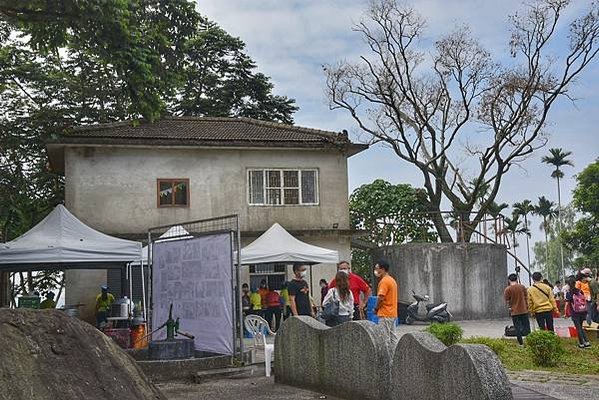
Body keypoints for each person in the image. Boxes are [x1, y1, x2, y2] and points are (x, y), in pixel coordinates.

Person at [374, 260, 398, 350]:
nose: (376, 271)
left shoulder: (384, 281)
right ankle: (394, 358)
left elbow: (381, 298)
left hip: (385, 313)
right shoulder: (392, 280)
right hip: (392, 313)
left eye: (377, 269)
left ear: (383, 269)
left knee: (384, 338)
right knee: (393, 338)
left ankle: (386, 360)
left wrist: (376, 309)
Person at [504, 274, 530, 346]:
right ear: (516, 279)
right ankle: (529, 341)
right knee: (527, 327)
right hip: (524, 310)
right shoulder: (522, 287)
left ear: (509, 280)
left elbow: (507, 300)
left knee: (517, 328)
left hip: (514, 312)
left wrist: (509, 308)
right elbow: (526, 297)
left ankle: (520, 343)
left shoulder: (507, 289)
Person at [565, 276, 591, 348]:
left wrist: (565, 313)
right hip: (583, 311)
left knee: (578, 328)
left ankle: (581, 343)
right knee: (580, 326)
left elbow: (567, 303)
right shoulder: (580, 291)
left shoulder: (569, 293)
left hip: (575, 312)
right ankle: (587, 342)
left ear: (568, 284)